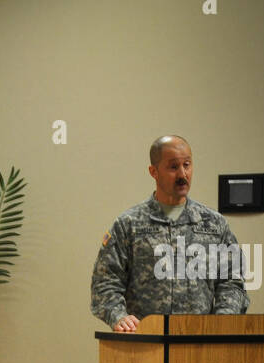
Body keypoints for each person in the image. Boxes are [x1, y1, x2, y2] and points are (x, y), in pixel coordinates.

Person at [91, 135, 249, 331]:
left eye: (187, 165)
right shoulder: (129, 224)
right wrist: (118, 316)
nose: (183, 174)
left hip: (200, 344)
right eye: (173, 167)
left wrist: (222, 322)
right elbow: (105, 282)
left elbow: (232, 281)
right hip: (145, 343)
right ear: (153, 171)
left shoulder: (214, 224)